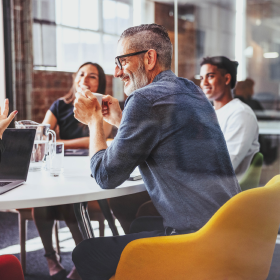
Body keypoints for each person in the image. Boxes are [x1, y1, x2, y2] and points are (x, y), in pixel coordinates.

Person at [72, 23, 240, 280]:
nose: (116, 72)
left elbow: (105, 176)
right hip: (227, 230)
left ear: (149, 58)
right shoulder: (190, 90)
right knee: (141, 222)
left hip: (197, 240)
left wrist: (94, 121)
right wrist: (121, 119)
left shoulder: (144, 100)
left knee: (85, 253)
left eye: (122, 61)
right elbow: (166, 138)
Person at [32, 62, 112, 280]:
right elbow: (42, 135)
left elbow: (95, 140)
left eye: (92, 76)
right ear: (75, 78)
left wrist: (59, 142)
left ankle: (83, 259)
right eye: (81, 74)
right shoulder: (60, 105)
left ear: (100, 82)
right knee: (41, 201)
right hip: (60, 168)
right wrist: (51, 139)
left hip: (88, 170)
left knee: (70, 200)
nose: (85, 79)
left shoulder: (103, 106)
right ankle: (50, 257)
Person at [200, 56, 260, 180]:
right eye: (201, 78)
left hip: (225, 191)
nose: (204, 83)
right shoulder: (209, 114)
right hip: (206, 183)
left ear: (227, 78)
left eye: (210, 76)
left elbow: (226, 165)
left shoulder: (241, 114)